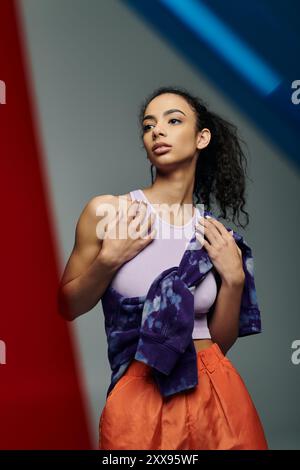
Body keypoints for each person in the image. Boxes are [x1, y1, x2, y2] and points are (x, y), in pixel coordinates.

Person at [58, 86, 268, 450]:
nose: (157, 131)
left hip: (217, 392)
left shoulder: (214, 234)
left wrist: (233, 282)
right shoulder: (110, 212)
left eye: (173, 120)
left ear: (202, 138)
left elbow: (220, 343)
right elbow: (68, 305)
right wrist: (109, 260)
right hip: (139, 392)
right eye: (148, 125)